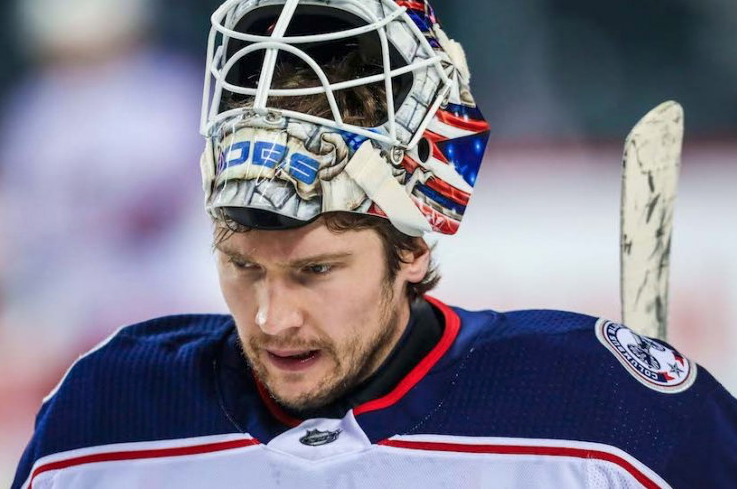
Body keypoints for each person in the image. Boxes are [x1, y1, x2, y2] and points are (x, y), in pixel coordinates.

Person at [12, 0, 737, 487]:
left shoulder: (606, 415)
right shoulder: (102, 420)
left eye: (315, 269)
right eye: (240, 265)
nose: (271, 318)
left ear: (413, 246)